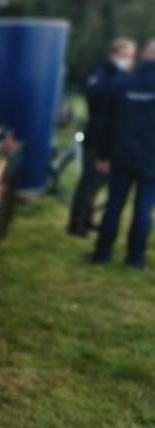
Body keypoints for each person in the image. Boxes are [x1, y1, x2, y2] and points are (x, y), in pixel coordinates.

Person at [92, 39, 155, 269]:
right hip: (151, 159)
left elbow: (105, 121)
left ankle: (102, 253)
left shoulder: (121, 82)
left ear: (143, 55)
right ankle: (135, 259)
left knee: (114, 204)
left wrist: (102, 155)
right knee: (144, 208)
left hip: (121, 155)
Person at [68, 38, 136, 237]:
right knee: (90, 182)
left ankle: (86, 219)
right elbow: (94, 96)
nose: (127, 60)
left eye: (130, 57)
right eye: (123, 56)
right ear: (112, 55)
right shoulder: (103, 74)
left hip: (108, 138)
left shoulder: (120, 76)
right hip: (97, 138)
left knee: (97, 184)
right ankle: (77, 224)